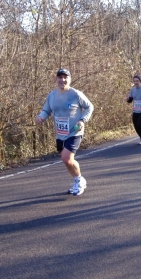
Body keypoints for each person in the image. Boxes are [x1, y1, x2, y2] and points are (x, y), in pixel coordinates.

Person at [35, 68, 94, 196]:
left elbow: (90, 107)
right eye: (60, 77)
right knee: (66, 160)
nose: (63, 80)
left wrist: (82, 120)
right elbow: (46, 110)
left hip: (75, 131)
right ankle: (78, 179)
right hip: (60, 133)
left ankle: (79, 180)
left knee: (67, 158)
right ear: (56, 79)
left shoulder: (76, 94)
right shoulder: (52, 96)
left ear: (70, 79)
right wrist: (41, 117)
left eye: (65, 77)